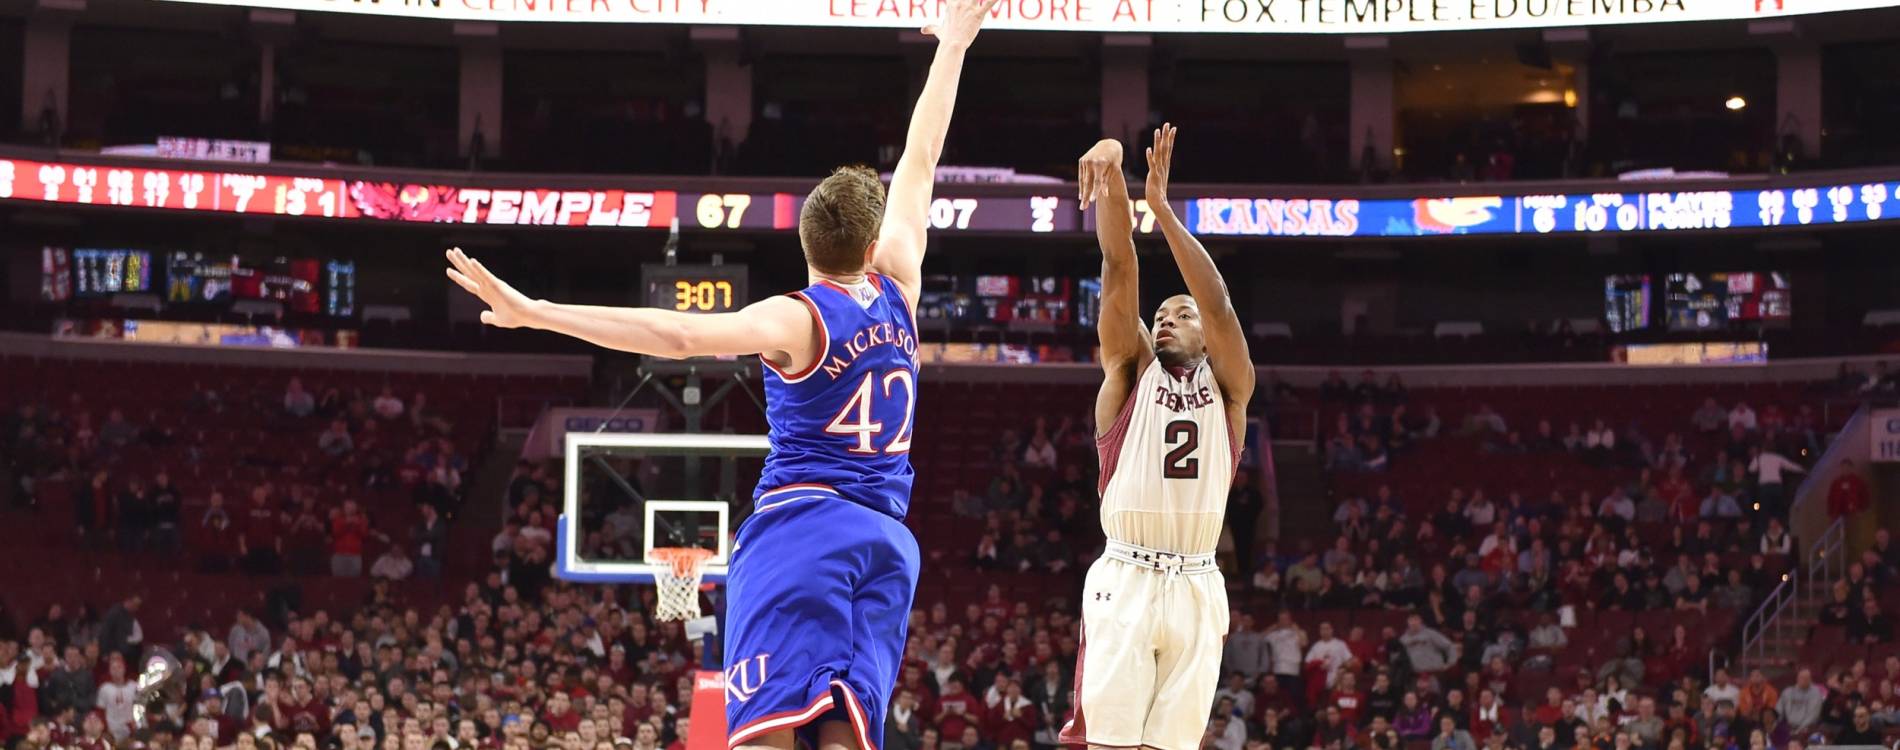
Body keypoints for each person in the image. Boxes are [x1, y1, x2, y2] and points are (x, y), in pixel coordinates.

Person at [448, 5, 995, 749]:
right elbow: (921, 155)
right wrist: (955, 45)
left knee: (766, 734)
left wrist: (537, 311)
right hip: (889, 543)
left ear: (805, 242)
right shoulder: (899, 279)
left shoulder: (796, 318)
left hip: (802, 527)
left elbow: (674, 334)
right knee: (845, 737)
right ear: (871, 243)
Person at [1059, 124, 1255, 750]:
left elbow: (1218, 302)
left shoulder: (1232, 391)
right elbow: (1119, 266)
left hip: (1198, 583)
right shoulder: (1129, 372)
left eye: (1181, 314)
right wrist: (1116, 169)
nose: (1167, 320)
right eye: (1160, 316)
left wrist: (1164, 210)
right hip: (1128, 576)